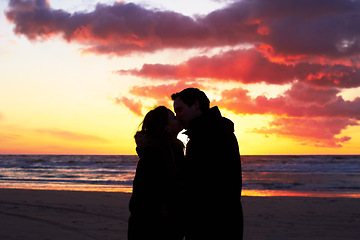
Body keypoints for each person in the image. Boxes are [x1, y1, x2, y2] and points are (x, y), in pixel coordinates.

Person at [171, 88, 243, 240]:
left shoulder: (212, 134)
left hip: (213, 225)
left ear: (196, 104)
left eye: (180, 110)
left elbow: (203, 184)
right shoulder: (206, 132)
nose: (178, 116)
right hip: (218, 222)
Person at [128, 106, 185, 240]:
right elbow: (148, 197)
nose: (178, 118)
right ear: (166, 128)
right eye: (173, 117)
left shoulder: (171, 150)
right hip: (153, 228)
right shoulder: (156, 155)